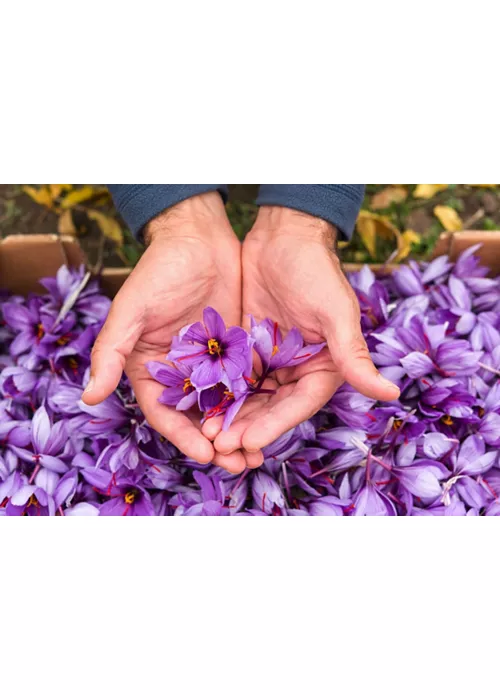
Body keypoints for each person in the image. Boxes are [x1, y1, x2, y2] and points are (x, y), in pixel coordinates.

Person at [82, 185, 400, 474]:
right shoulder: (218, 353)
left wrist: (302, 222)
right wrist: (180, 219)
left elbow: (231, 346)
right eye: (211, 350)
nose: (212, 348)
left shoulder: (230, 345)